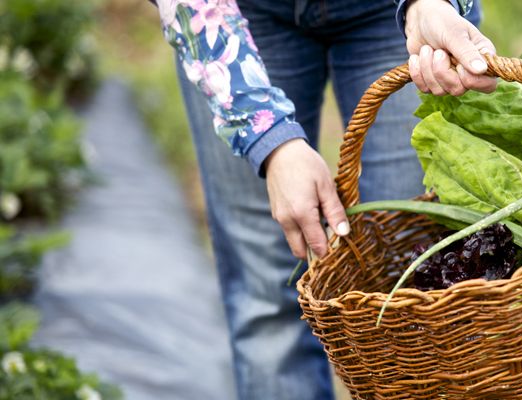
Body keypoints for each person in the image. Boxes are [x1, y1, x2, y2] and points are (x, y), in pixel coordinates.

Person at [152, 0, 496, 399]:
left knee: (422, 293)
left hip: (391, 12)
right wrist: (269, 140)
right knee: (267, 299)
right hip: (235, 18)